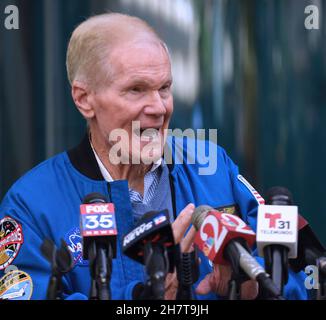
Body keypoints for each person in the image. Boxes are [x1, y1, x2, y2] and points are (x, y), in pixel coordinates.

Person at [0, 13, 307, 300]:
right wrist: (143, 298)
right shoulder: (31, 203)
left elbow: (300, 275)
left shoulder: (213, 168)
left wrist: (253, 289)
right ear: (84, 99)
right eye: (136, 89)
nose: (158, 108)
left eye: (164, 88)